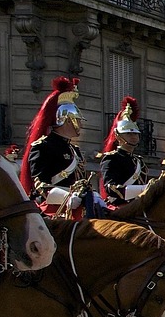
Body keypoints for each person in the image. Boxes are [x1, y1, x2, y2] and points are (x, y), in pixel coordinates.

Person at [19, 76, 99, 218]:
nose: (81, 125)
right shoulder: (43, 146)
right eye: (78, 120)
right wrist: (66, 197)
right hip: (53, 210)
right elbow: (40, 185)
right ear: (68, 120)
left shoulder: (75, 150)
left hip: (77, 208)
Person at [98, 96, 149, 207]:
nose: (133, 137)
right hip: (120, 207)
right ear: (118, 136)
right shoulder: (112, 158)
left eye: (135, 134)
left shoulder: (138, 161)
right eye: (129, 134)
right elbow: (110, 188)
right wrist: (142, 189)